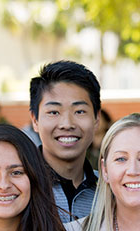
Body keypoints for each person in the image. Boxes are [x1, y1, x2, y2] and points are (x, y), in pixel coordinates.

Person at [29, 60, 101, 221]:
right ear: (35, 120)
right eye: (54, 112)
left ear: (97, 119)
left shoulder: (111, 192)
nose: (67, 124)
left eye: (80, 111)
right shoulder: (19, 188)